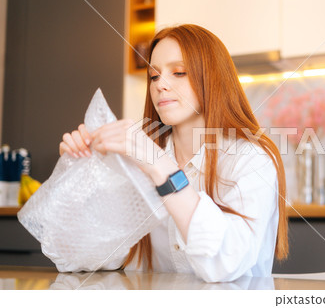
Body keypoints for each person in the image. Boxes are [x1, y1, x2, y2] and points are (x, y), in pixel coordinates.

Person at [58, 24, 288, 283]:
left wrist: (158, 164)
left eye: (178, 72)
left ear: (212, 77)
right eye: (154, 76)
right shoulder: (137, 161)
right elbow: (79, 259)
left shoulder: (251, 159)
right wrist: (79, 171)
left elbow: (225, 264)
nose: (160, 85)